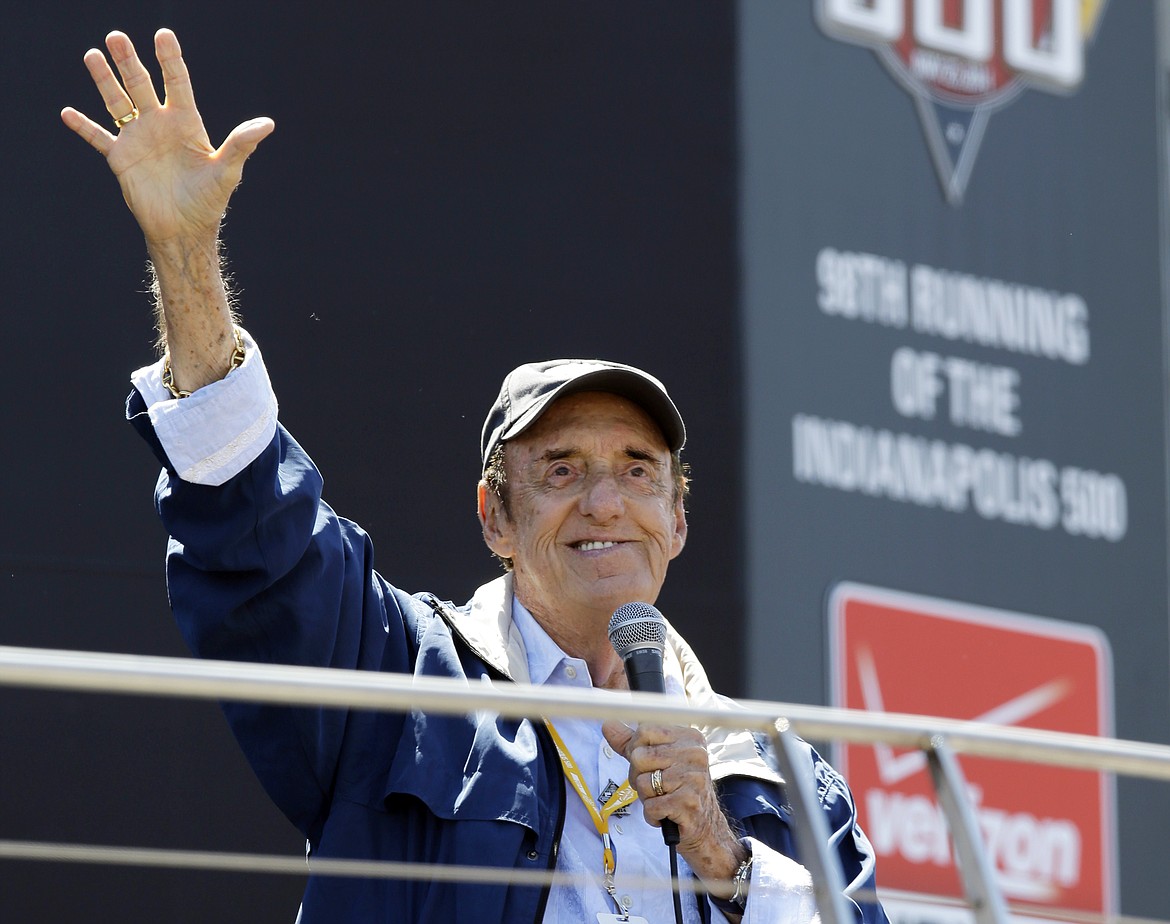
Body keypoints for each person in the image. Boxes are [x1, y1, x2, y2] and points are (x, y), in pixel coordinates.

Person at [63, 28, 888, 924]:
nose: (604, 501)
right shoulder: (405, 680)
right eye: (562, 470)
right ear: (495, 517)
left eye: (638, 471)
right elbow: (258, 529)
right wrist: (186, 255)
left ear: (678, 521)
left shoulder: (778, 772)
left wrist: (725, 854)